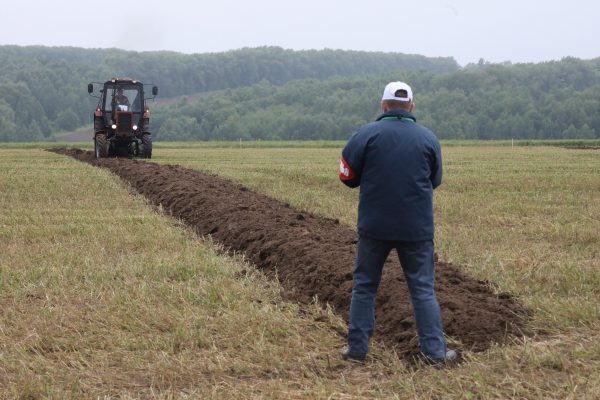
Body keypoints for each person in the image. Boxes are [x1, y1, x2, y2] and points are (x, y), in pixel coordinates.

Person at [338, 81, 457, 365]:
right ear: (411, 107)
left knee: (365, 286)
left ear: (383, 105)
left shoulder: (365, 134)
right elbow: (435, 180)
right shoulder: (428, 138)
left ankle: (357, 350)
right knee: (423, 290)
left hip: (374, 227)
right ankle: (435, 354)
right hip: (416, 230)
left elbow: (346, 175)